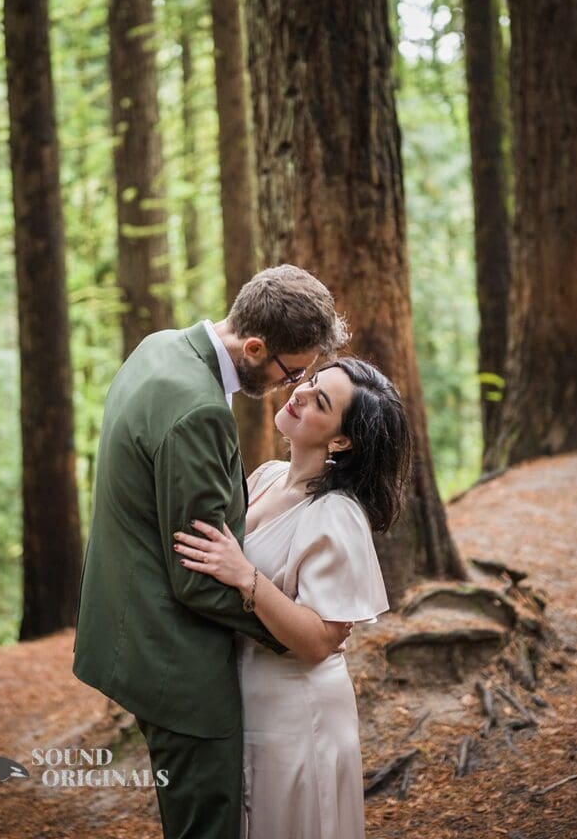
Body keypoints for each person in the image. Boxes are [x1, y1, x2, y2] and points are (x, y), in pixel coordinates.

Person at [72, 264, 349, 839]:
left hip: (132, 632)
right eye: (291, 371)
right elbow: (198, 576)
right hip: (178, 666)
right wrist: (301, 635)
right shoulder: (199, 410)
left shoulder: (160, 348)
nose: (292, 386)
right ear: (254, 347)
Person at [172, 357, 411, 839]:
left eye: (320, 401)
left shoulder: (336, 513)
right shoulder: (266, 477)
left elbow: (322, 640)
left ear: (341, 441)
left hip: (301, 715)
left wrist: (246, 577)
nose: (300, 393)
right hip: (248, 703)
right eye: (312, 381)